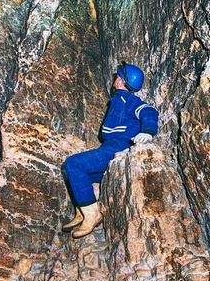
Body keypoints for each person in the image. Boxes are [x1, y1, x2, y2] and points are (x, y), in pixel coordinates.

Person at [62, 61, 159, 238]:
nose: (115, 78)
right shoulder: (117, 99)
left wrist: (147, 131)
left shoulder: (128, 99)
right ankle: (83, 211)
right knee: (84, 176)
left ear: (122, 81)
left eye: (118, 76)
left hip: (118, 146)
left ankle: (92, 215)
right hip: (109, 145)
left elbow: (149, 112)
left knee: (73, 164)